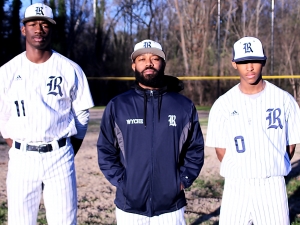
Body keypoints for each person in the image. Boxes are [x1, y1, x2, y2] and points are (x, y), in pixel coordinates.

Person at [0, 3, 94, 225]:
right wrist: (16, 144)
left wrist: (70, 147)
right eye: (32, 24)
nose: (38, 29)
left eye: (44, 24)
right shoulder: (7, 71)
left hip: (59, 155)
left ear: (51, 29)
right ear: (24, 29)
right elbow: (2, 115)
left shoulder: (70, 69)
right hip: (22, 157)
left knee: (64, 221)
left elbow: (82, 114)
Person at [97, 39, 204, 224]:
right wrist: (124, 183)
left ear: (163, 63)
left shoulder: (183, 106)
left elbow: (195, 149)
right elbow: (106, 150)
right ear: (133, 65)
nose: (148, 63)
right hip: (129, 207)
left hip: (170, 207)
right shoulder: (118, 106)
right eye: (142, 59)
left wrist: (181, 181)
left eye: (155, 58)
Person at [206, 36, 300, 225]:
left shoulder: (284, 100)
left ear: (264, 60)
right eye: (243, 62)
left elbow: (290, 147)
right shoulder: (223, 104)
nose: (249, 67)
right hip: (236, 185)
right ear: (234, 64)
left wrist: (268, 165)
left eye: (254, 61)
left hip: (272, 184)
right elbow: (220, 150)